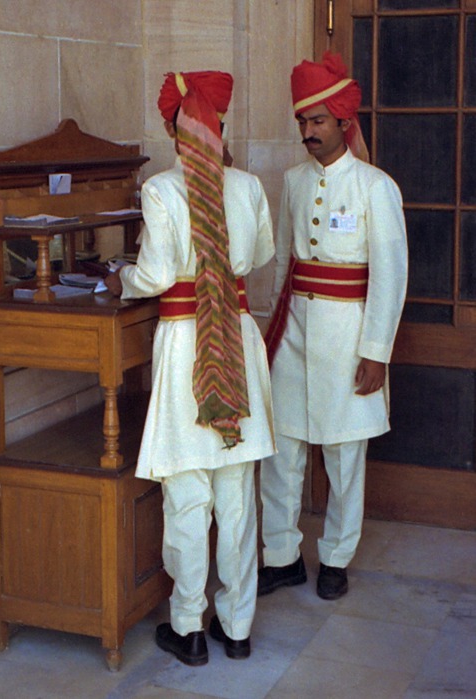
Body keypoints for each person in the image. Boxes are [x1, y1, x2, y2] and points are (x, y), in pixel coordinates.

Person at [106, 70, 276, 665]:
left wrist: (119, 277)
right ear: (219, 127)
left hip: (186, 346)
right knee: (236, 497)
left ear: (175, 132)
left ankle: (189, 627)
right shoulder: (249, 187)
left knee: (187, 496)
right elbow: (257, 256)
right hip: (234, 336)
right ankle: (238, 627)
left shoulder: (160, 191)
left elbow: (151, 277)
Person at [258, 52, 408, 601]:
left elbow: (391, 274)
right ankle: (282, 556)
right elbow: (284, 267)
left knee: (346, 456)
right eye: (302, 121)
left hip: (349, 339)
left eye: (318, 120)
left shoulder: (375, 186)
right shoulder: (293, 181)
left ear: (343, 122)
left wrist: (376, 351)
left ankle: (337, 557)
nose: (308, 131)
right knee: (282, 453)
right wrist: (272, 334)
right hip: (294, 332)